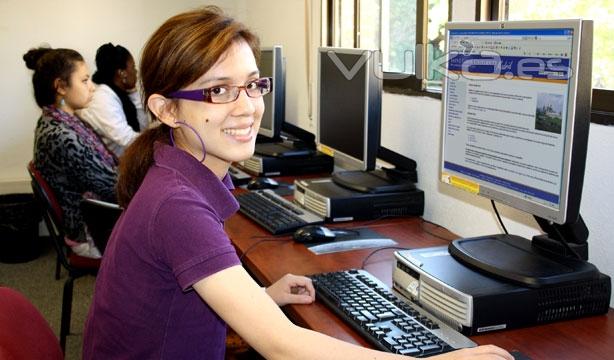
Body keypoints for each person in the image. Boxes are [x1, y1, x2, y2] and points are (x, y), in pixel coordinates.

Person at [82, 7, 512, 360]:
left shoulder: (172, 174)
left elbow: (178, 302)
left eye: (253, 85)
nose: (249, 107)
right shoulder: (176, 205)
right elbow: (282, 347)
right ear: (167, 110)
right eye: (218, 92)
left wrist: (261, 297)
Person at [23, 47, 117, 258]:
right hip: (91, 231)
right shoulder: (60, 135)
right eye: (84, 81)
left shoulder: (61, 120)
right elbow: (113, 187)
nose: (92, 88)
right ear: (60, 87)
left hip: (95, 217)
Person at [77, 43, 148, 156]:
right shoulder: (102, 97)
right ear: (122, 73)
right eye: (133, 67)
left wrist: (134, 92)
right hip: (115, 167)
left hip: (129, 156)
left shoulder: (122, 93)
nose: (136, 72)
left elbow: (142, 128)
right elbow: (127, 139)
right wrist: (156, 141)